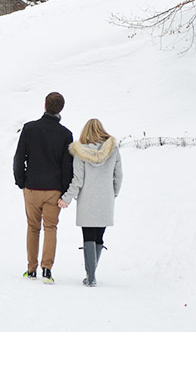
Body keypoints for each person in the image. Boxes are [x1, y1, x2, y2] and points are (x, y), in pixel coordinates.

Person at [13, 91, 74, 283]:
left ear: (45, 105)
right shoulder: (65, 134)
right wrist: (64, 191)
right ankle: (47, 269)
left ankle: (31, 269)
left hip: (32, 188)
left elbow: (18, 158)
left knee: (33, 227)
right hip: (53, 190)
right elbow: (67, 167)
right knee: (50, 228)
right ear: (61, 109)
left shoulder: (29, 129)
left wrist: (21, 181)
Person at [58, 118, 124, 288]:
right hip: (105, 198)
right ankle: (92, 274)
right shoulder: (113, 150)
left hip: (87, 200)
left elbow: (78, 180)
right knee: (99, 236)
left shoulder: (81, 152)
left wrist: (66, 198)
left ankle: (91, 276)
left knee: (88, 235)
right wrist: (113, 193)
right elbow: (119, 175)